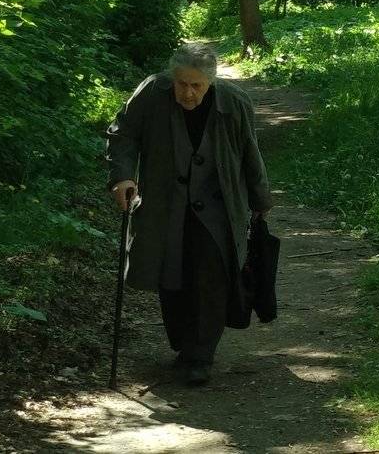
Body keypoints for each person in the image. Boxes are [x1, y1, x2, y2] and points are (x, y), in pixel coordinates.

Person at [105, 41, 272, 385]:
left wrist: (260, 200)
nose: (188, 92)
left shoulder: (234, 102)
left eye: (196, 85)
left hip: (219, 207)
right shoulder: (152, 93)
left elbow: (249, 152)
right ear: (172, 78)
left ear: (211, 82)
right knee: (172, 273)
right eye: (182, 84)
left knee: (211, 276)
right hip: (166, 203)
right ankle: (184, 344)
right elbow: (123, 135)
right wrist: (122, 177)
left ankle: (200, 355)